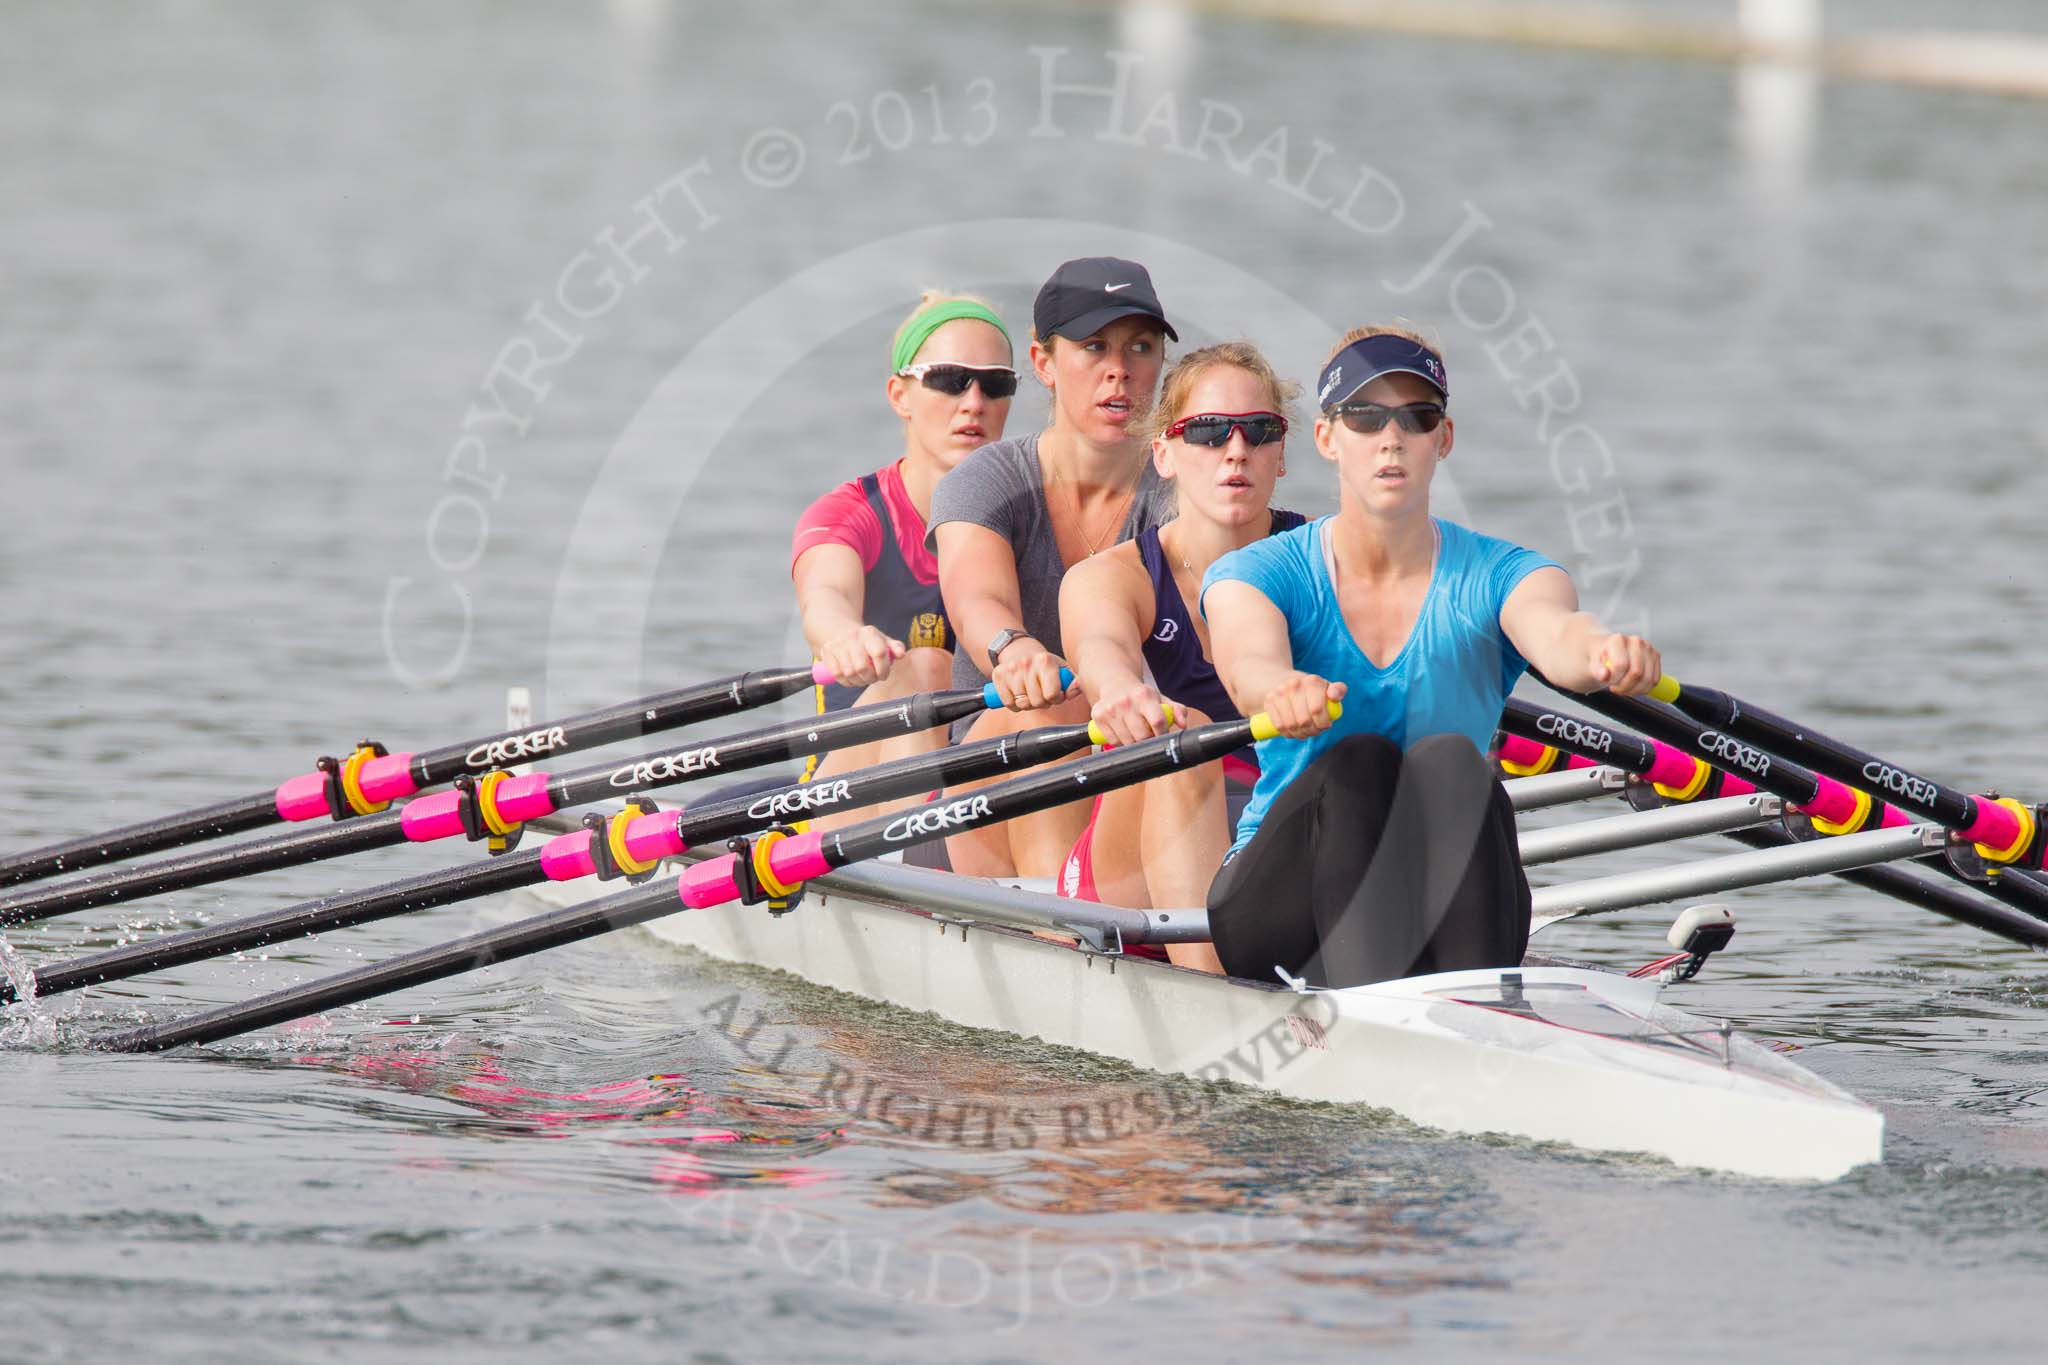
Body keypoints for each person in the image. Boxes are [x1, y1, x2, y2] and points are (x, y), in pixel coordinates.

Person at [1200, 325, 1663, 988]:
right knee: (1360, 761)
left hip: (1438, 899)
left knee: (1452, 762)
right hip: (1281, 914)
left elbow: (1558, 632)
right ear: (1328, 439)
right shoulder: (1259, 572)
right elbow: (1248, 663)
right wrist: (1280, 690)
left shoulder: (1502, 571)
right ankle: (1389, 1022)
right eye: (1364, 416)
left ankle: (1476, 1017)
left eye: (1415, 417)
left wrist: (1602, 653)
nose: (1390, 437)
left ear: (1442, 439)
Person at [1055, 341, 1305, 972]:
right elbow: (1100, 646)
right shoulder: (1115, 577)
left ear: (1282, 454)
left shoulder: (1327, 561)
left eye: (1259, 431)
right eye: (1208, 431)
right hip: (1134, 875)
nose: (1235, 450)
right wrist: (1117, 690)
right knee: (1183, 735)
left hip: (1277, 833)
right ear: (1162, 454)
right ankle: (1211, 1000)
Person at [930, 257, 1179, 877]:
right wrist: (1014, 650)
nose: (1119, 371)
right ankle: (1060, 937)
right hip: (986, 778)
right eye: (1094, 347)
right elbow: (975, 599)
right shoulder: (988, 481)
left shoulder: (1182, 494)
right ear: (1044, 364)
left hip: (1133, 764)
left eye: (1140, 347)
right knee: (1051, 708)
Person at [789, 292, 1015, 824]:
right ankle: (913, 875)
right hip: (843, 799)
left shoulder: (1030, 512)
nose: (974, 402)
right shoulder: (853, 513)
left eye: (996, 384)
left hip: (978, 784)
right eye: (948, 380)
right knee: (926, 669)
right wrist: (843, 635)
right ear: (900, 395)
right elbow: (824, 597)